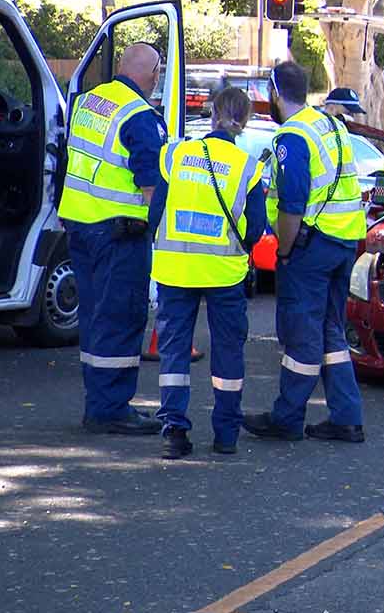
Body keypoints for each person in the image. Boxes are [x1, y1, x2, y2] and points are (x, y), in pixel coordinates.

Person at [243, 62, 367, 443]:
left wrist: (284, 250)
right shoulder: (331, 124)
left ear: (275, 93)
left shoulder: (291, 137)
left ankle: (287, 417)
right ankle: (347, 417)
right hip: (344, 241)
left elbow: (292, 204)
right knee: (331, 330)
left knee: (301, 334)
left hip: (312, 247)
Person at [149, 88, 268, 458]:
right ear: (243, 123)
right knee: (228, 352)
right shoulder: (247, 167)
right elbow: (255, 230)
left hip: (174, 269)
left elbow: (156, 212)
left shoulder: (176, 155)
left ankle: (173, 433)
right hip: (224, 273)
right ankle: (226, 435)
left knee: (174, 353)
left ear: (213, 114)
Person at [59, 42, 167, 436]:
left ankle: (99, 400)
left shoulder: (88, 102)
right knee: (121, 315)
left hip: (80, 226)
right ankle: (110, 409)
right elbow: (152, 187)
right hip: (119, 234)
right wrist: (164, 235)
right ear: (153, 75)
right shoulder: (141, 117)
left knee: (93, 315)